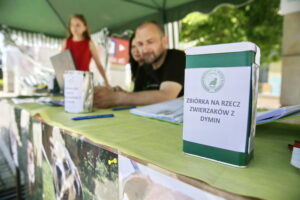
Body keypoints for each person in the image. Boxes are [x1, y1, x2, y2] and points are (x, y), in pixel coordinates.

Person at [94, 21, 185, 108]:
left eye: (150, 42)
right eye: (140, 44)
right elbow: (137, 96)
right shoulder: (143, 67)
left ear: (164, 41)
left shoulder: (176, 57)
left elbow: (167, 96)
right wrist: (122, 93)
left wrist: (117, 98)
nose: (144, 50)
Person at [62, 14, 109, 86]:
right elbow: (60, 63)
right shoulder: (66, 42)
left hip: (84, 81)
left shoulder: (89, 43)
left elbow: (99, 64)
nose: (74, 28)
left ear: (85, 27)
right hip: (69, 81)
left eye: (78, 25)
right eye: (72, 25)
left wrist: (106, 82)